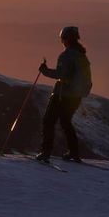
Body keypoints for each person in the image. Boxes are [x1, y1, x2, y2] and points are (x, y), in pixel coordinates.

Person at [35, 26, 93, 163]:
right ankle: (74, 152)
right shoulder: (82, 56)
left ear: (66, 39)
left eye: (62, 38)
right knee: (66, 122)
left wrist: (45, 70)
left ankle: (45, 152)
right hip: (76, 96)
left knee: (49, 121)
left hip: (63, 94)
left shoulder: (66, 55)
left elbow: (61, 74)